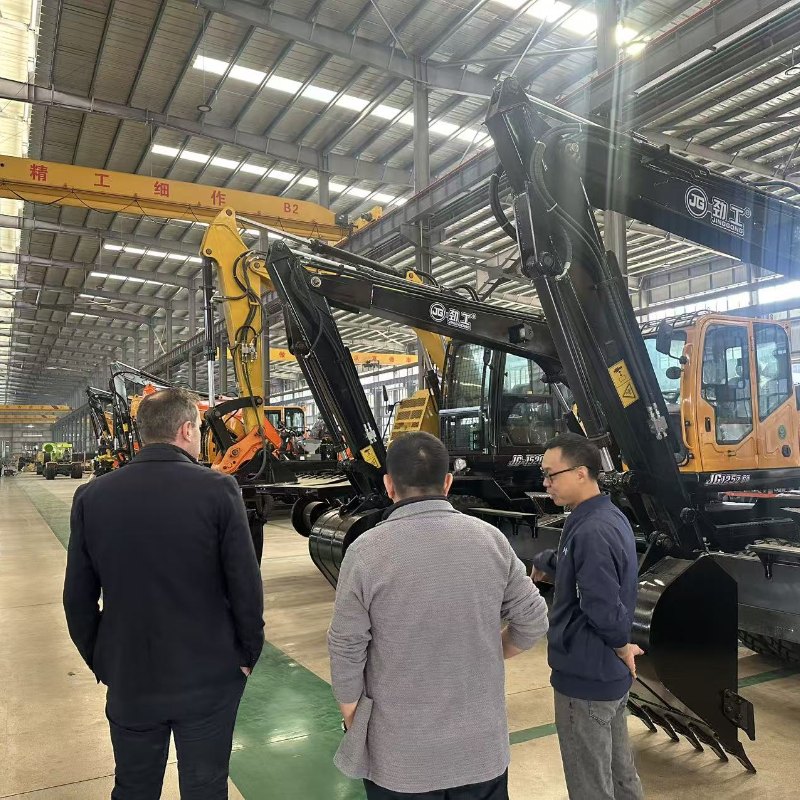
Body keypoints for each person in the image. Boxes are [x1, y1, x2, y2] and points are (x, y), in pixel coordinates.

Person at [63, 387, 264, 800]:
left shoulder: (93, 496)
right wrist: (246, 655)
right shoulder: (217, 490)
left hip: (131, 676)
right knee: (205, 787)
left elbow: (77, 599)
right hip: (208, 675)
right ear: (187, 429)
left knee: (134, 787)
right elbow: (245, 584)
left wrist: (103, 658)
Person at [327, 431, 549, 799]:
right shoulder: (491, 540)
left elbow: (346, 645)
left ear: (388, 485)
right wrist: (494, 650)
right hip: (481, 750)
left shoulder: (366, 552)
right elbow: (533, 621)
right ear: (448, 481)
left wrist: (352, 713)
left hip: (401, 755)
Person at [531, 433, 644, 800]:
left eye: (552, 475)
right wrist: (547, 563)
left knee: (590, 785)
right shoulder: (602, 515)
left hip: (585, 678)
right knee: (620, 774)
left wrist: (620, 643)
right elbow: (578, 565)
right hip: (605, 676)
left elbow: (601, 604)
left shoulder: (592, 529)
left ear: (581, 472)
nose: (546, 484)